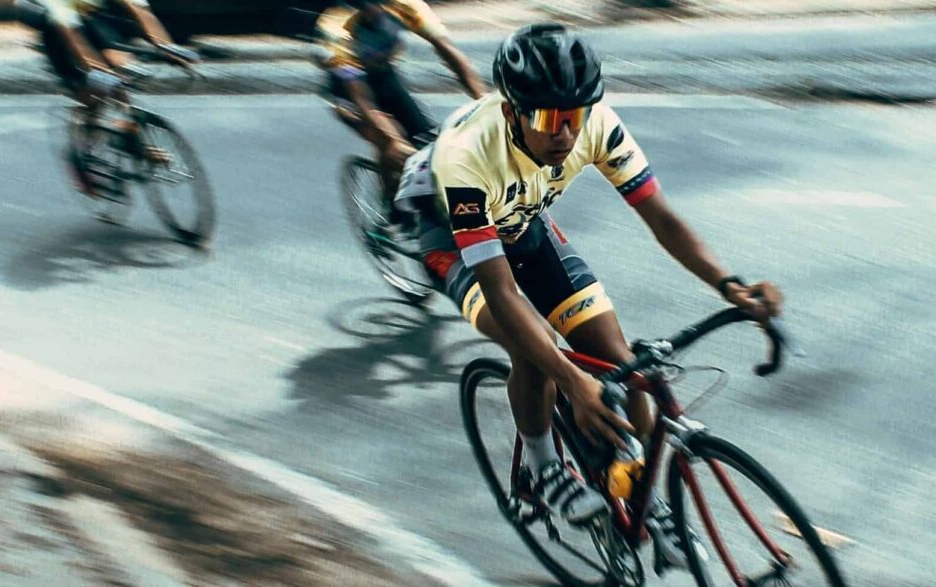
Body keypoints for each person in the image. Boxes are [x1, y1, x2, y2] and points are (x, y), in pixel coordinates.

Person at [396, 23, 783, 573]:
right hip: (449, 238)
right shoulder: (468, 155)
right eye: (547, 120)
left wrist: (730, 285)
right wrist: (573, 381)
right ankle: (542, 468)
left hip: (522, 222)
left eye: (573, 117)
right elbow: (500, 292)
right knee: (536, 348)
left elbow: (663, 219)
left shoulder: (596, 124)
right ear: (511, 113)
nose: (564, 134)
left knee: (624, 365)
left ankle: (648, 501)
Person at [15, 0, 199, 196]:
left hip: (90, 19)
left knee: (121, 65)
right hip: (58, 31)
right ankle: (81, 154)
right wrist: (97, 72)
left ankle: (131, 133)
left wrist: (168, 47)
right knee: (93, 90)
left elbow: (138, 8)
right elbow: (71, 35)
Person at [314, 0, 486, 180]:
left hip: (384, 78)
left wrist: (483, 99)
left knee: (426, 142)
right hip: (346, 92)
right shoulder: (335, 27)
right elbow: (361, 98)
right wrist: (393, 139)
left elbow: (448, 50)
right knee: (394, 146)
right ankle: (391, 194)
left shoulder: (405, 5)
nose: (373, 11)